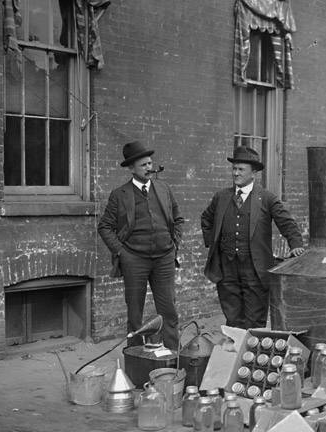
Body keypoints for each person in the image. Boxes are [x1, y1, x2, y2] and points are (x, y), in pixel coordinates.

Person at [201, 145, 305, 329]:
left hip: (255, 268)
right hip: (227, 267)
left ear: (253, 172)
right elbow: (206, 218)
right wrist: (213, 243)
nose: (235, 173)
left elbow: (287, 223)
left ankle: (252, 354)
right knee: (232, 315)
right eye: (234, 169)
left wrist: (295, 244)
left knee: (254, 318)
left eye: (241, 169)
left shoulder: (266, 198)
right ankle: (234, 350)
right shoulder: (222, 197)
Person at [98, 141, 184, 349]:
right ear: (131, 169)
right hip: (134, 260)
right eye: (143, 165)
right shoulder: (120, 194)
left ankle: (174, 356)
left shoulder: (163, 189)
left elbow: (178, 219)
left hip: (163, 258)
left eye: (150, 163)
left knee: (169, 311)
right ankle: (135, 358)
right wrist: (122, 253)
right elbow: (105, 227)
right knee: (134, 314)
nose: (149, 168)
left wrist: (174, 244)